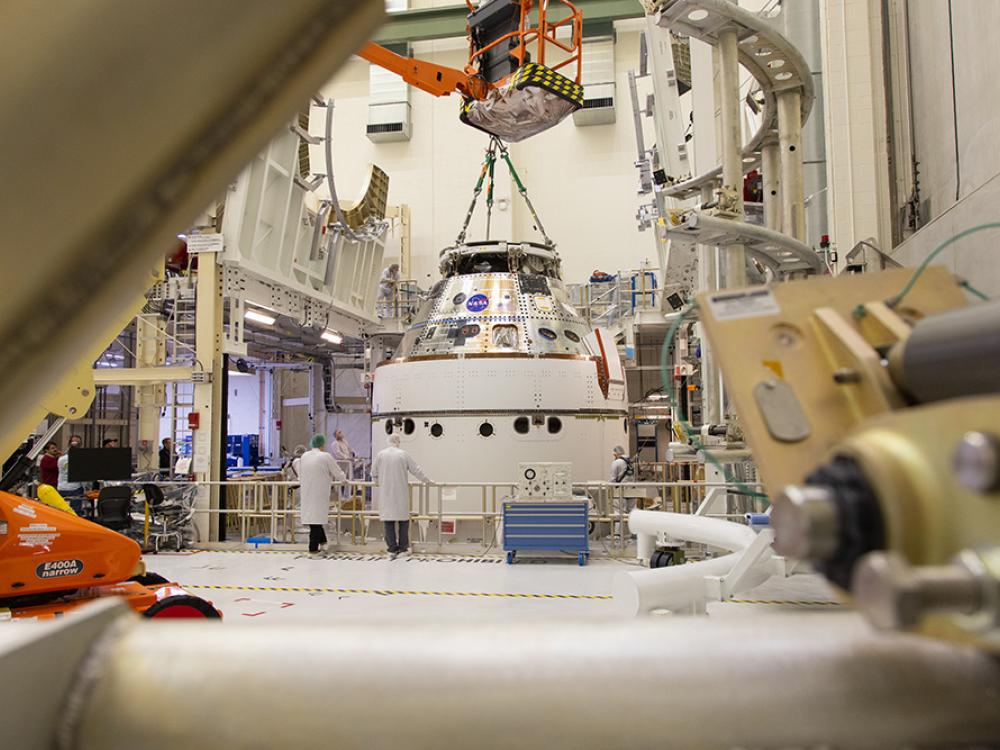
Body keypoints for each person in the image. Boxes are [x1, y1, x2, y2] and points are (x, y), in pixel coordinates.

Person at [371, 434, 431, 559]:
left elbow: (373, 472)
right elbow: (416, 470)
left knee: (388, 521)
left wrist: (377, 483)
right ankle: (403, 548)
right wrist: (427, 481)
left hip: (386, 493)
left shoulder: (380, 455)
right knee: (403, 521)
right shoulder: (403, 454)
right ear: (398, 442)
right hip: (401, 493)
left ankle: (392, 549)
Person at [292, 434, 346, 557]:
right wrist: (344, 480)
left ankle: (323, 542)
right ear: (322, 444)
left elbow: (301, 472)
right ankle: (313, 549)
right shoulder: (325, 456)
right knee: (316, 520)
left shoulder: (305, 456)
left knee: (313, 519)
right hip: (320, 492)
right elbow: (337, 471)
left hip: (307, 491)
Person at [57, 435, 85, 514]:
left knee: (61, 511)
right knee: (75, 512)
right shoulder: (81, 459)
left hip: (61, 488)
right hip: (75, 489)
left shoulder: (61, 459)